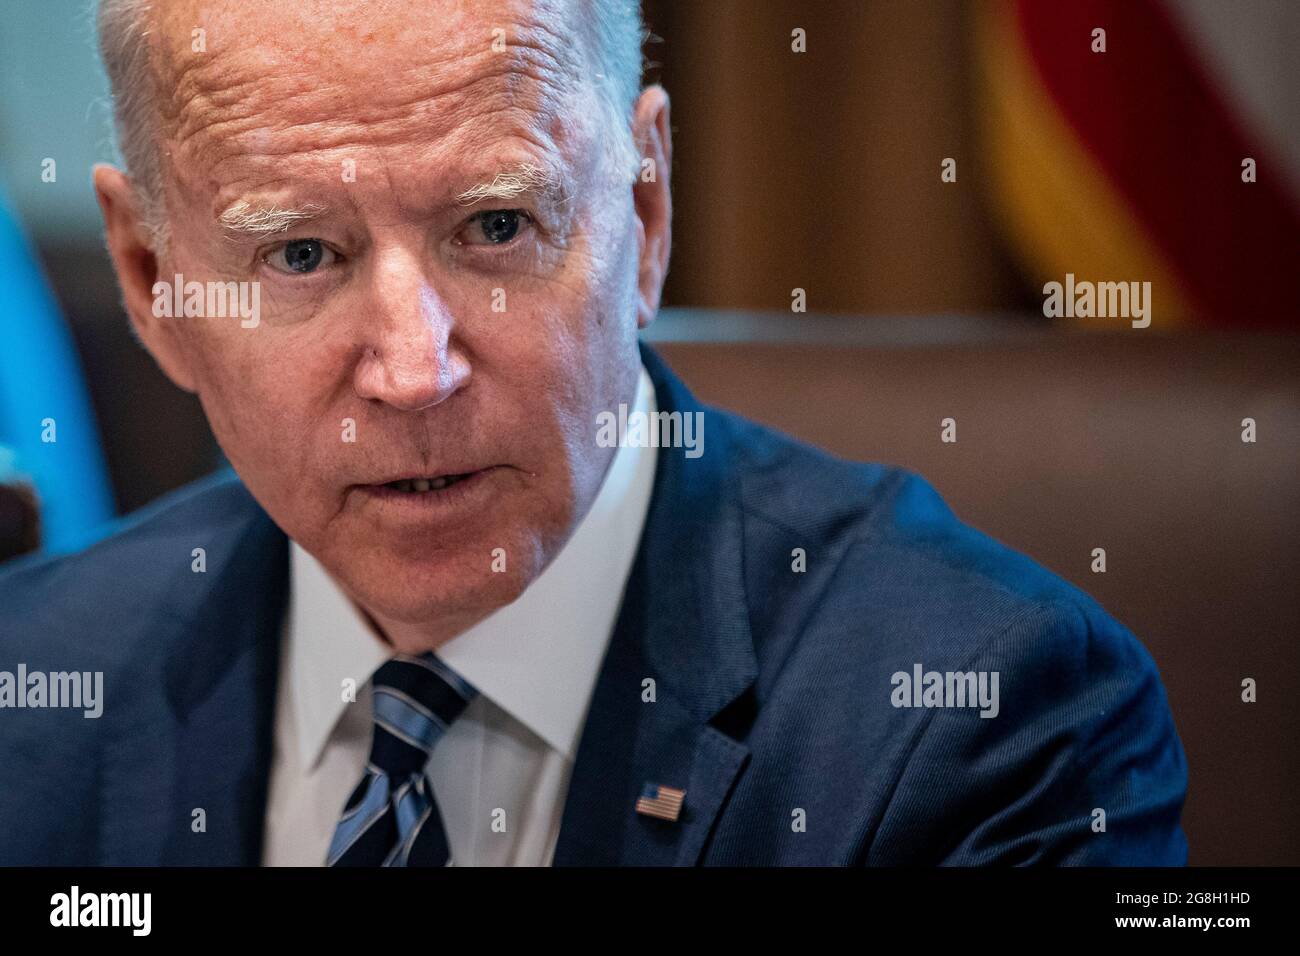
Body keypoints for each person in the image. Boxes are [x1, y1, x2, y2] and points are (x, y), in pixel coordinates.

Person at [0, 0, 1187, 866]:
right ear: (153, 283)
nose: (415, 373)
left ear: (646, 209)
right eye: (300, 253)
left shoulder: (997, 723)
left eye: (498, 225)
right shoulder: (29, 682)